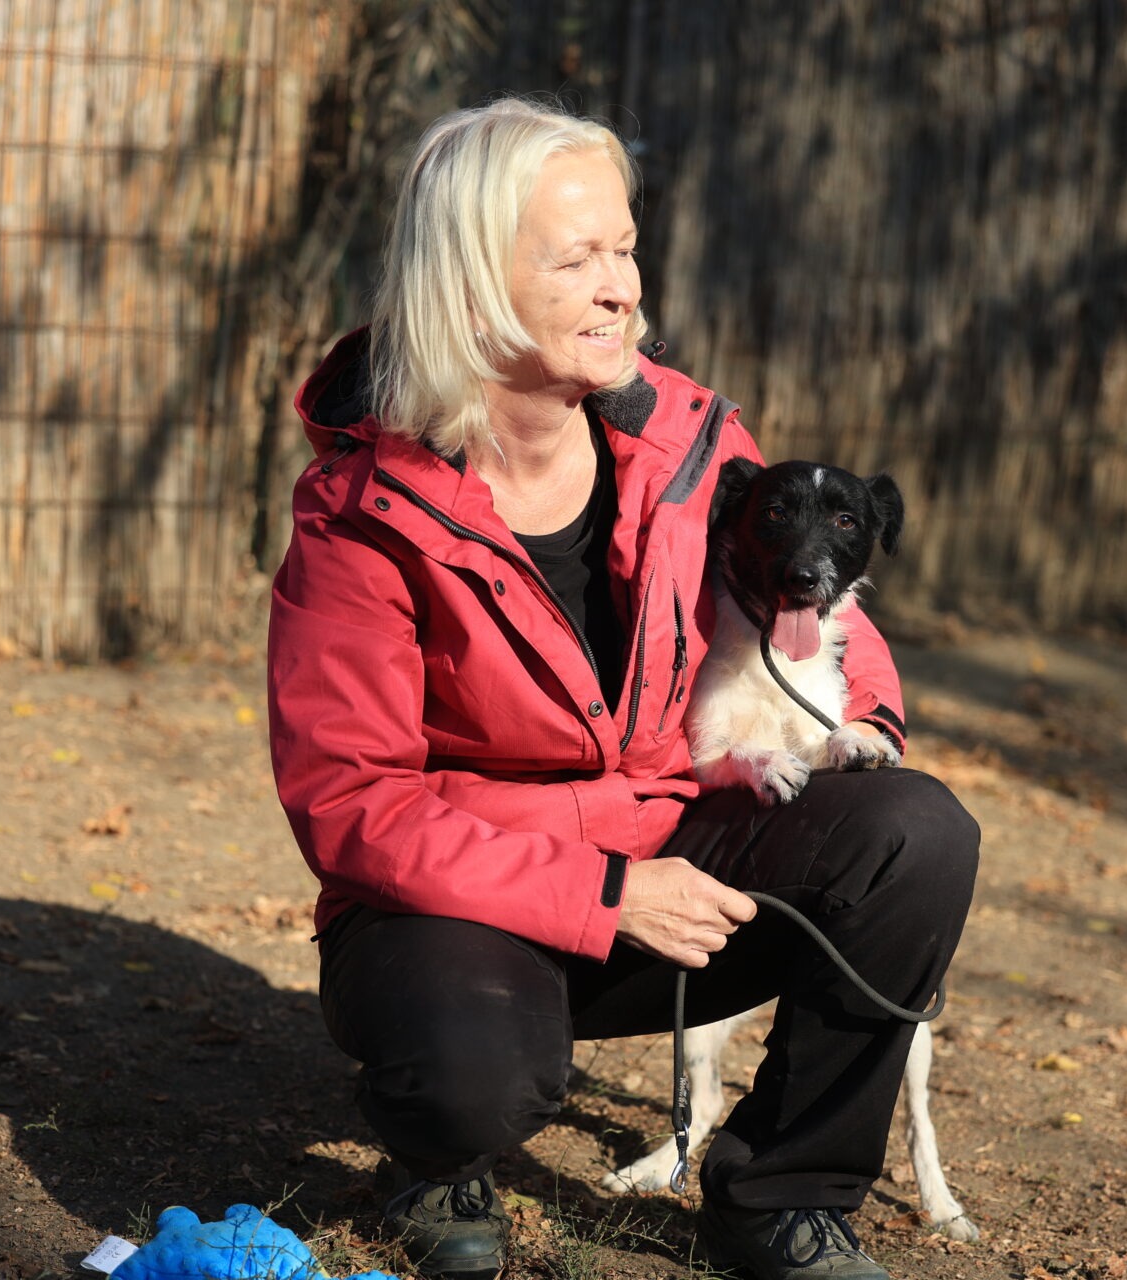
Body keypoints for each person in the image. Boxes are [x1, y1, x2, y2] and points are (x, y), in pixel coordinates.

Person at [267, 98, 980, 1280]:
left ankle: (783, 1193)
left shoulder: (689, 444)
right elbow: (355, 807)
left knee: (915, 834)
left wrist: (868, 716)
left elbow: (813, 602)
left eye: (625, 249)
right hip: (461, 901)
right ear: (472, 287)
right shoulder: (363, 513)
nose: (620, 290)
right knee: (474, 1079)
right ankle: (437, 1156)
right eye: (576, 260)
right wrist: (603, 891)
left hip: (677, 854)